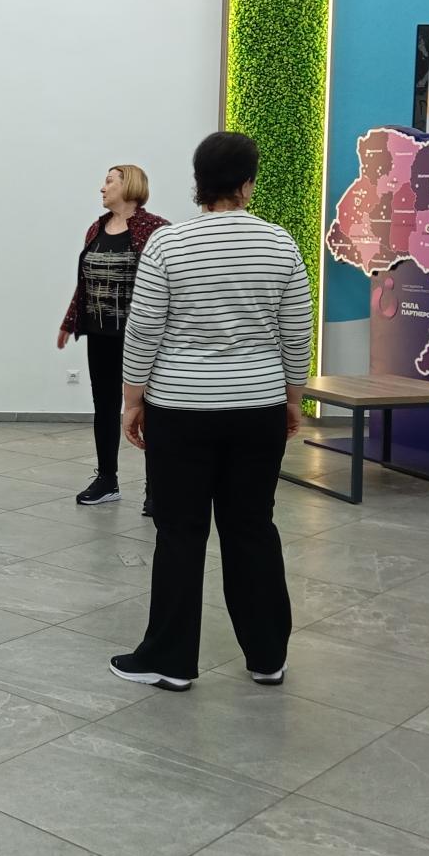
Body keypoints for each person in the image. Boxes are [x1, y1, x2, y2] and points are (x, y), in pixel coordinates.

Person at [109, 132, 311, 692]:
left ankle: (170, 661)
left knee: (180, 532)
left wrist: (133, 399)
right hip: (257, 406)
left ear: (198, 183)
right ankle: (267, 656)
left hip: (181, 408)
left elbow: (144, 329)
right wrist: (293, 397)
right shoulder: (280, 244)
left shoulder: (169, 245)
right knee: (252, 527)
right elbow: (297, 331)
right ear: (248, 183)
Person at [58, 165, 170, 513]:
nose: (102, 188)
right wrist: (69, 322)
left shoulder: (156, 229)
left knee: (149, 409)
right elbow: (85, 283)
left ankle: (157, 490)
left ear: (129, 186)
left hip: (141, 337)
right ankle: (107, 479)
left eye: (109, 181)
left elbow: (166, 284)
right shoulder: (97, 228)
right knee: (104, 406)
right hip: (100, 334)